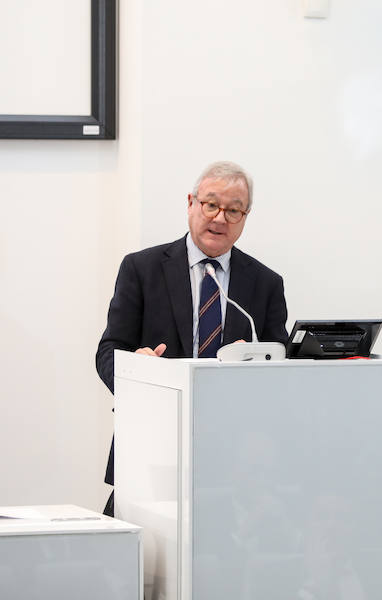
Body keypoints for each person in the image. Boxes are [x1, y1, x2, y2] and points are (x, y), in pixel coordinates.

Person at [96, 161, 289, 516]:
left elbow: (281, 366)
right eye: (211, 205)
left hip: (235, 458)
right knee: (138, 562)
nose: (219, 218)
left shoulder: (265, 284)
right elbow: (108, 351)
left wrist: (258, 360)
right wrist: (139, 371)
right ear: (191, 203)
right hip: (154, 441)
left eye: (234, 210)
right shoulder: (142, 269)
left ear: (246, 216)